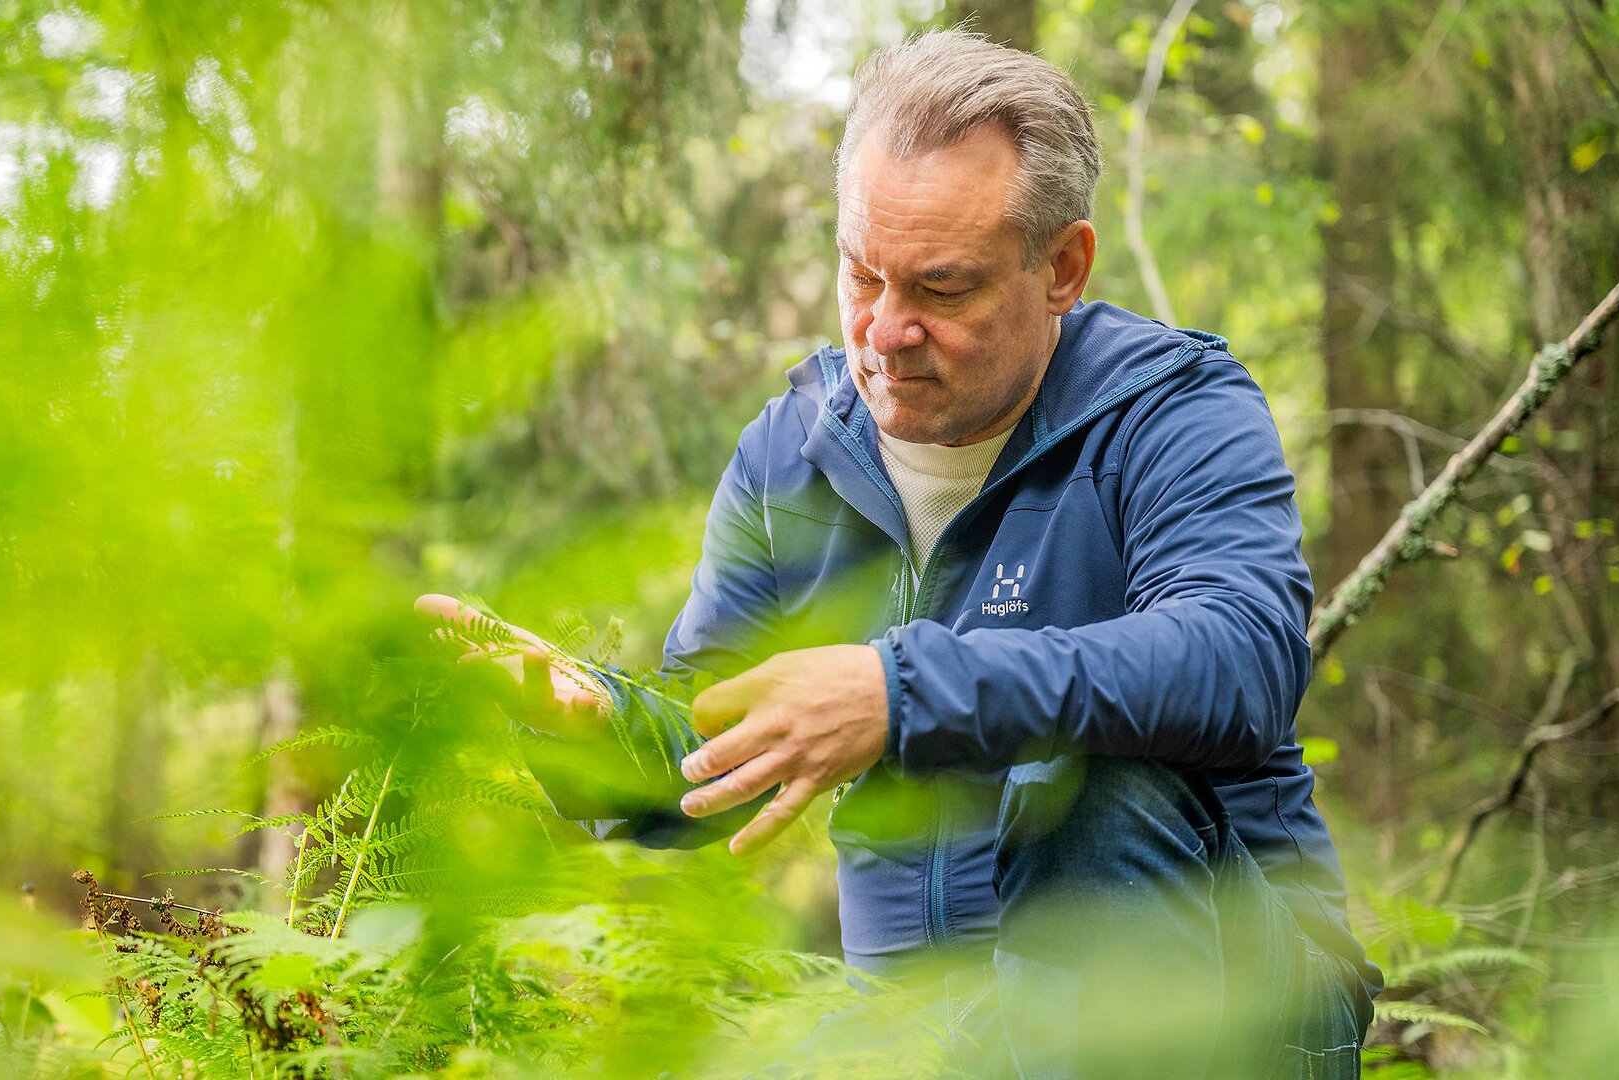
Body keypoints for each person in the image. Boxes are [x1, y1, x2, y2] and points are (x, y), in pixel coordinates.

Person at [420, 29, 1379, 1078]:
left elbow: (1238, 661)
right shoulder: (793, 456)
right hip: (928, 1027)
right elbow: (718, 749)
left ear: (1062, 268)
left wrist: (899, 691)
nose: (883, 331)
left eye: (942, 288)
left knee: (1095, 782)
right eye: (861, 274)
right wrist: (590, 725)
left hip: (1230, 1006)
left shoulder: (1172, 409)